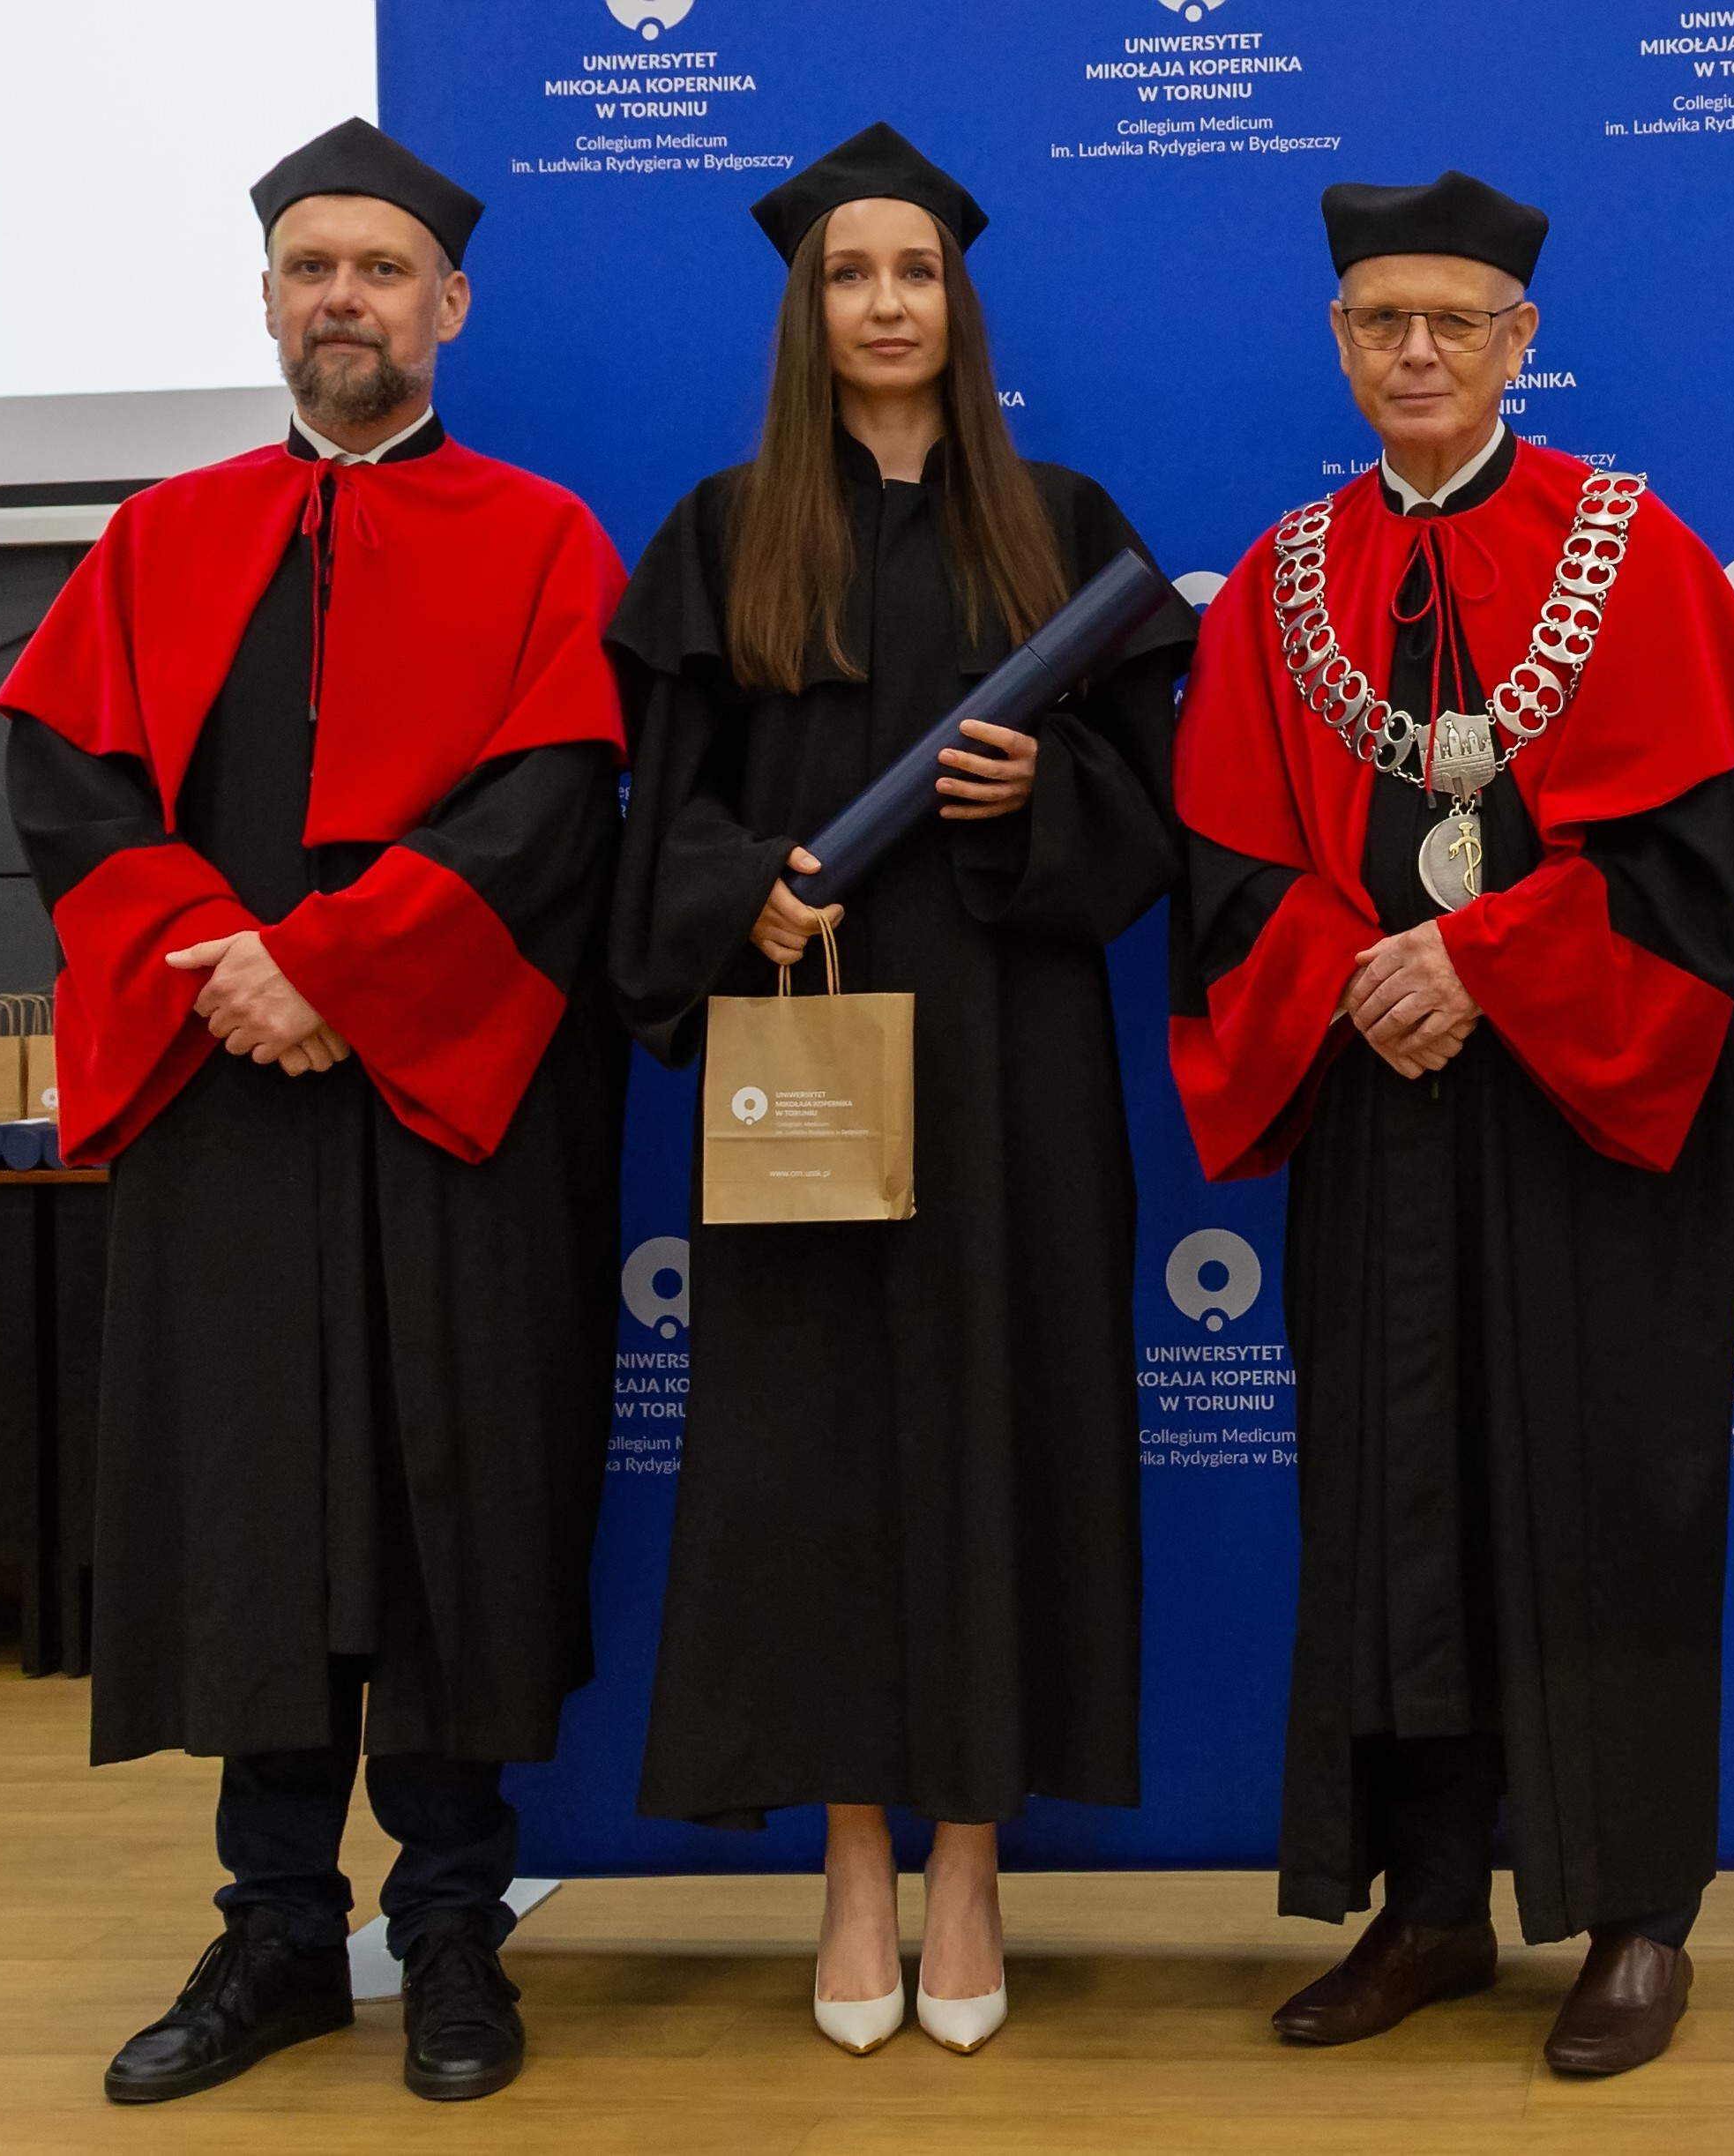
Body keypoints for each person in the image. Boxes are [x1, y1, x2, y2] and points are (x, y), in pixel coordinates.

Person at [0, 118, 629, 2108]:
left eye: (380, 269)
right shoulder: (157, 539)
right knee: (256, 1502)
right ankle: (275, 1925)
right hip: (229, 1096)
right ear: (270, 301)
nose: (342, 298)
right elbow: (72, 789)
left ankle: (448, 1925)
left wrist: (340, 970)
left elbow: (550, 807)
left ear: (451, 304)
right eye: (310, 268)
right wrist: (232, 968)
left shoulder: (542, 539)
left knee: (453, 1500)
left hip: (454, 1098)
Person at [1165, 172, 1734, 2077]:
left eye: (1456, 319)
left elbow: (1691, 857)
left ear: (1522, 339)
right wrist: (1368, 977)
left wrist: (1485, 960)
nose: (1419, 350)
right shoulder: (1284, 576)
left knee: (1610, 1488)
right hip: (1377, 1091)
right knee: (1395, 1494)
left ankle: (1635, 1913)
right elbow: (1223, 867)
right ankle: (1431, 1900)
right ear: (1339, 342)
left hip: (1589, 1103)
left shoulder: (1630, 545)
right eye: (1383, 321)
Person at [607, 122, 1195, 2059]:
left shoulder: (1063, 531)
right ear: (808, 309)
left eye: (915, 272)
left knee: (1007, 1426)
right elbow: (659, 827)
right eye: (849, 274)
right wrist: (739, 899)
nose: (884, 303)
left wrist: (1044, 794)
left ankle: (970, 1858)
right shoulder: (721, 535)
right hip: (806, 1058)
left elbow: (1161, 823)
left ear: (960, 301)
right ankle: (852, 1857)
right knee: (813, 1455)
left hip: (1013, 1064)